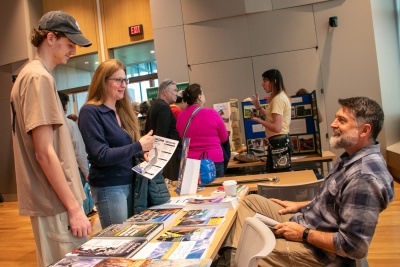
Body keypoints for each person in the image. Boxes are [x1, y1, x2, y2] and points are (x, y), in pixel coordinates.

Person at [214, 97, 394, 267]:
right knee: (250, 202)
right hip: (307, 220)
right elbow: (337, 201)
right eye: (335, 118)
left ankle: (234, 259)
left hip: (320, 253)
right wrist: (299, 205)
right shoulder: (350, 157)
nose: (333, 124)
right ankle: (234, 258)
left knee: (251, 250)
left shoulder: (364, 177)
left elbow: (353, 247)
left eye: (342, 120)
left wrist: (304, 234)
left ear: (365, 130)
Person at [10, 10, 92, 266]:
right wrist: (74, 207)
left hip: (53, 200)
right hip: (57, 202)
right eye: (69, 44)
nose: (73, 51)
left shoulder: (29, 75)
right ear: (50, 38)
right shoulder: (38, 78)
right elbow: (44, 152)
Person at [78, 59, 155, 229]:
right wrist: (138, 146)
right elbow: (101, 155)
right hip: (110, 186)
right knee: (119, 240)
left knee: (133, 236)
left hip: (131, 182)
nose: (123, 85)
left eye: (125, 80)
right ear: (102, 81)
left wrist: (142, 153)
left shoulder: (121, 111)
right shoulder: (90, 112)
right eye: (118, 80)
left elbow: (127, 146)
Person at [176, 83, 229, 177]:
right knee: (216, 190)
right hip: (213, 160)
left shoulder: (180, 116)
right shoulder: (212, 113)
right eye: (203, 93)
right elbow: (224, 138)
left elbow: (182, 137)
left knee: (196, 191)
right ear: (199, 97)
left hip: (191, 162)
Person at [58, 91, 95, 216]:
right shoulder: (70, 125)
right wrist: (86, 172)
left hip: (55, 172)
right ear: (65, 106)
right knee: (78, 200)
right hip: (72, 170)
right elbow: (79, 151)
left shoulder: (46, 126)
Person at [251, 69, 292, 173]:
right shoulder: (277, 97)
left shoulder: (278, 99)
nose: (262, 84)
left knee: (279, 178)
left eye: (265, 81)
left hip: (279, 143)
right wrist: (258, 107)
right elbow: (270, 118)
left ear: (273, 81)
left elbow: (276, 128)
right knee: (276, 175)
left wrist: (259, 121)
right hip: (277, 143)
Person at [145, 79, 182, 181]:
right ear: (165, 92)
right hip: (170, 157)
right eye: (174, 90)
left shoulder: (154, 106)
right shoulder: (163, 107)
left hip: (163, 157)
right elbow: (161, 135)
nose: (177, 94)